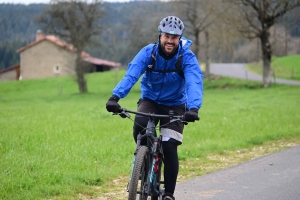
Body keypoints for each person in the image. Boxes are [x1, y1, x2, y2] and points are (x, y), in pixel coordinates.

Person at [106, 16, 203, 200]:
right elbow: (132, 74)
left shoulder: (186, 57)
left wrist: (193, 108)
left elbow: (194, 82)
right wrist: (115, 97)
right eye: (167, 36)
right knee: (140, 127)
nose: (170, 41)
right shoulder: (148, 53)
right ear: (160, 35)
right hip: (150, 100)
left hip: (174, 105)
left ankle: (168, 194)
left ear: (179, 38)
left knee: (169, 145)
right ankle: (142, 165)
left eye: (174, 38)